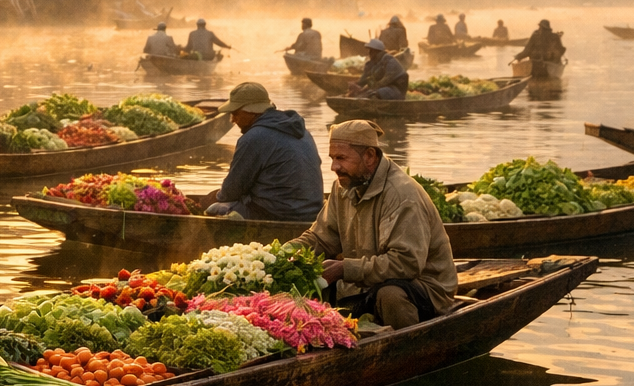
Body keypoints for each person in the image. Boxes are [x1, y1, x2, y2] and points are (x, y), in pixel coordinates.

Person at [291, 120, 457, 330]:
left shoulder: (401, 195)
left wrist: (344, 268)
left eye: (341, 158)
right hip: (368, 283)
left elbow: (405, 264)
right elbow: (320, 238)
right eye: (332, 158)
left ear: (370, 156)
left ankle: (404, 349)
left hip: (424, 289)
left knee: (390, 295)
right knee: (308, 281)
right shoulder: (343, 186)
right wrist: (278, 254)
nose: (334, 167)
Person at [196, 83, 323, 222]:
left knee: (215, 208)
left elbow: (230, 192)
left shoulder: (253, 138)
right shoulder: (303, 132)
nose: (233, 120)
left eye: (235, 114)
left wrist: (210, 199)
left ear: (252, 112)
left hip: (278, 216)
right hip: (313, 214)